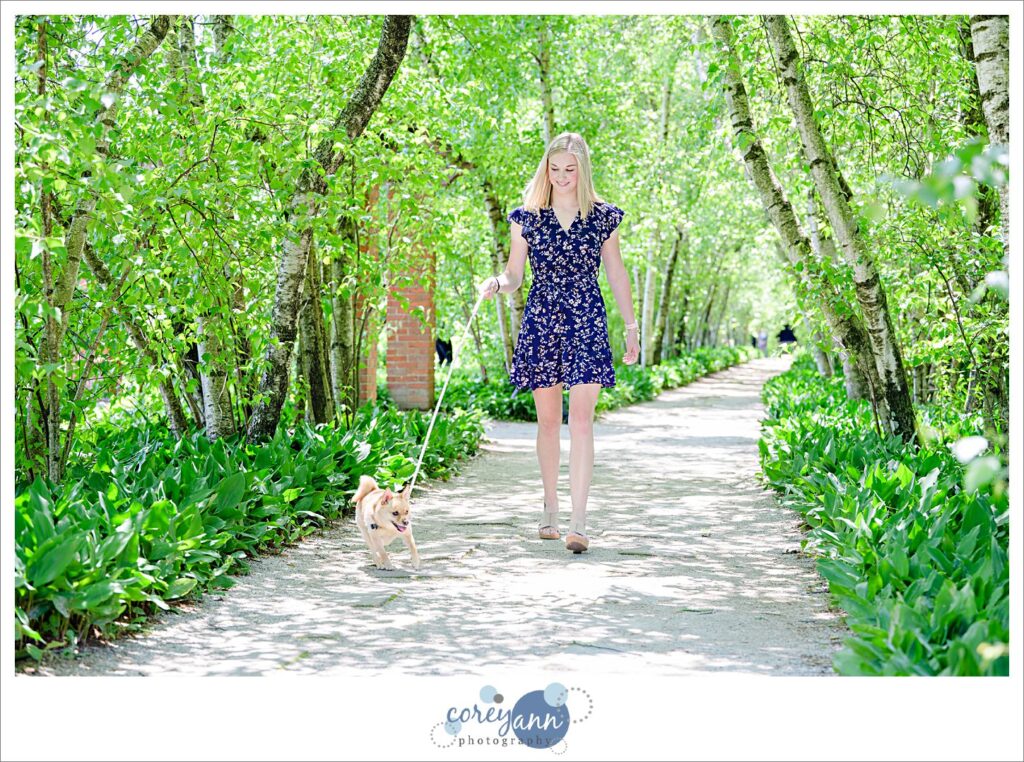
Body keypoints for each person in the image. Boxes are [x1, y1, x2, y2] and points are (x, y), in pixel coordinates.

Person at [478, 132, 640, 554]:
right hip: (542, 316)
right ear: (545, 170)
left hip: (587, 317)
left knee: (582, 421)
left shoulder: (602, 217)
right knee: (549, 421)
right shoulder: (526, 217)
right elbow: (515, 275)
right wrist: (497, 282)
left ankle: (579, 522)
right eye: (555, 169)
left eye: (571, 169)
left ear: (583, 169)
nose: (563, 176)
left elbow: (617, 274)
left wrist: (631, 326)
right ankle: (549, 508)